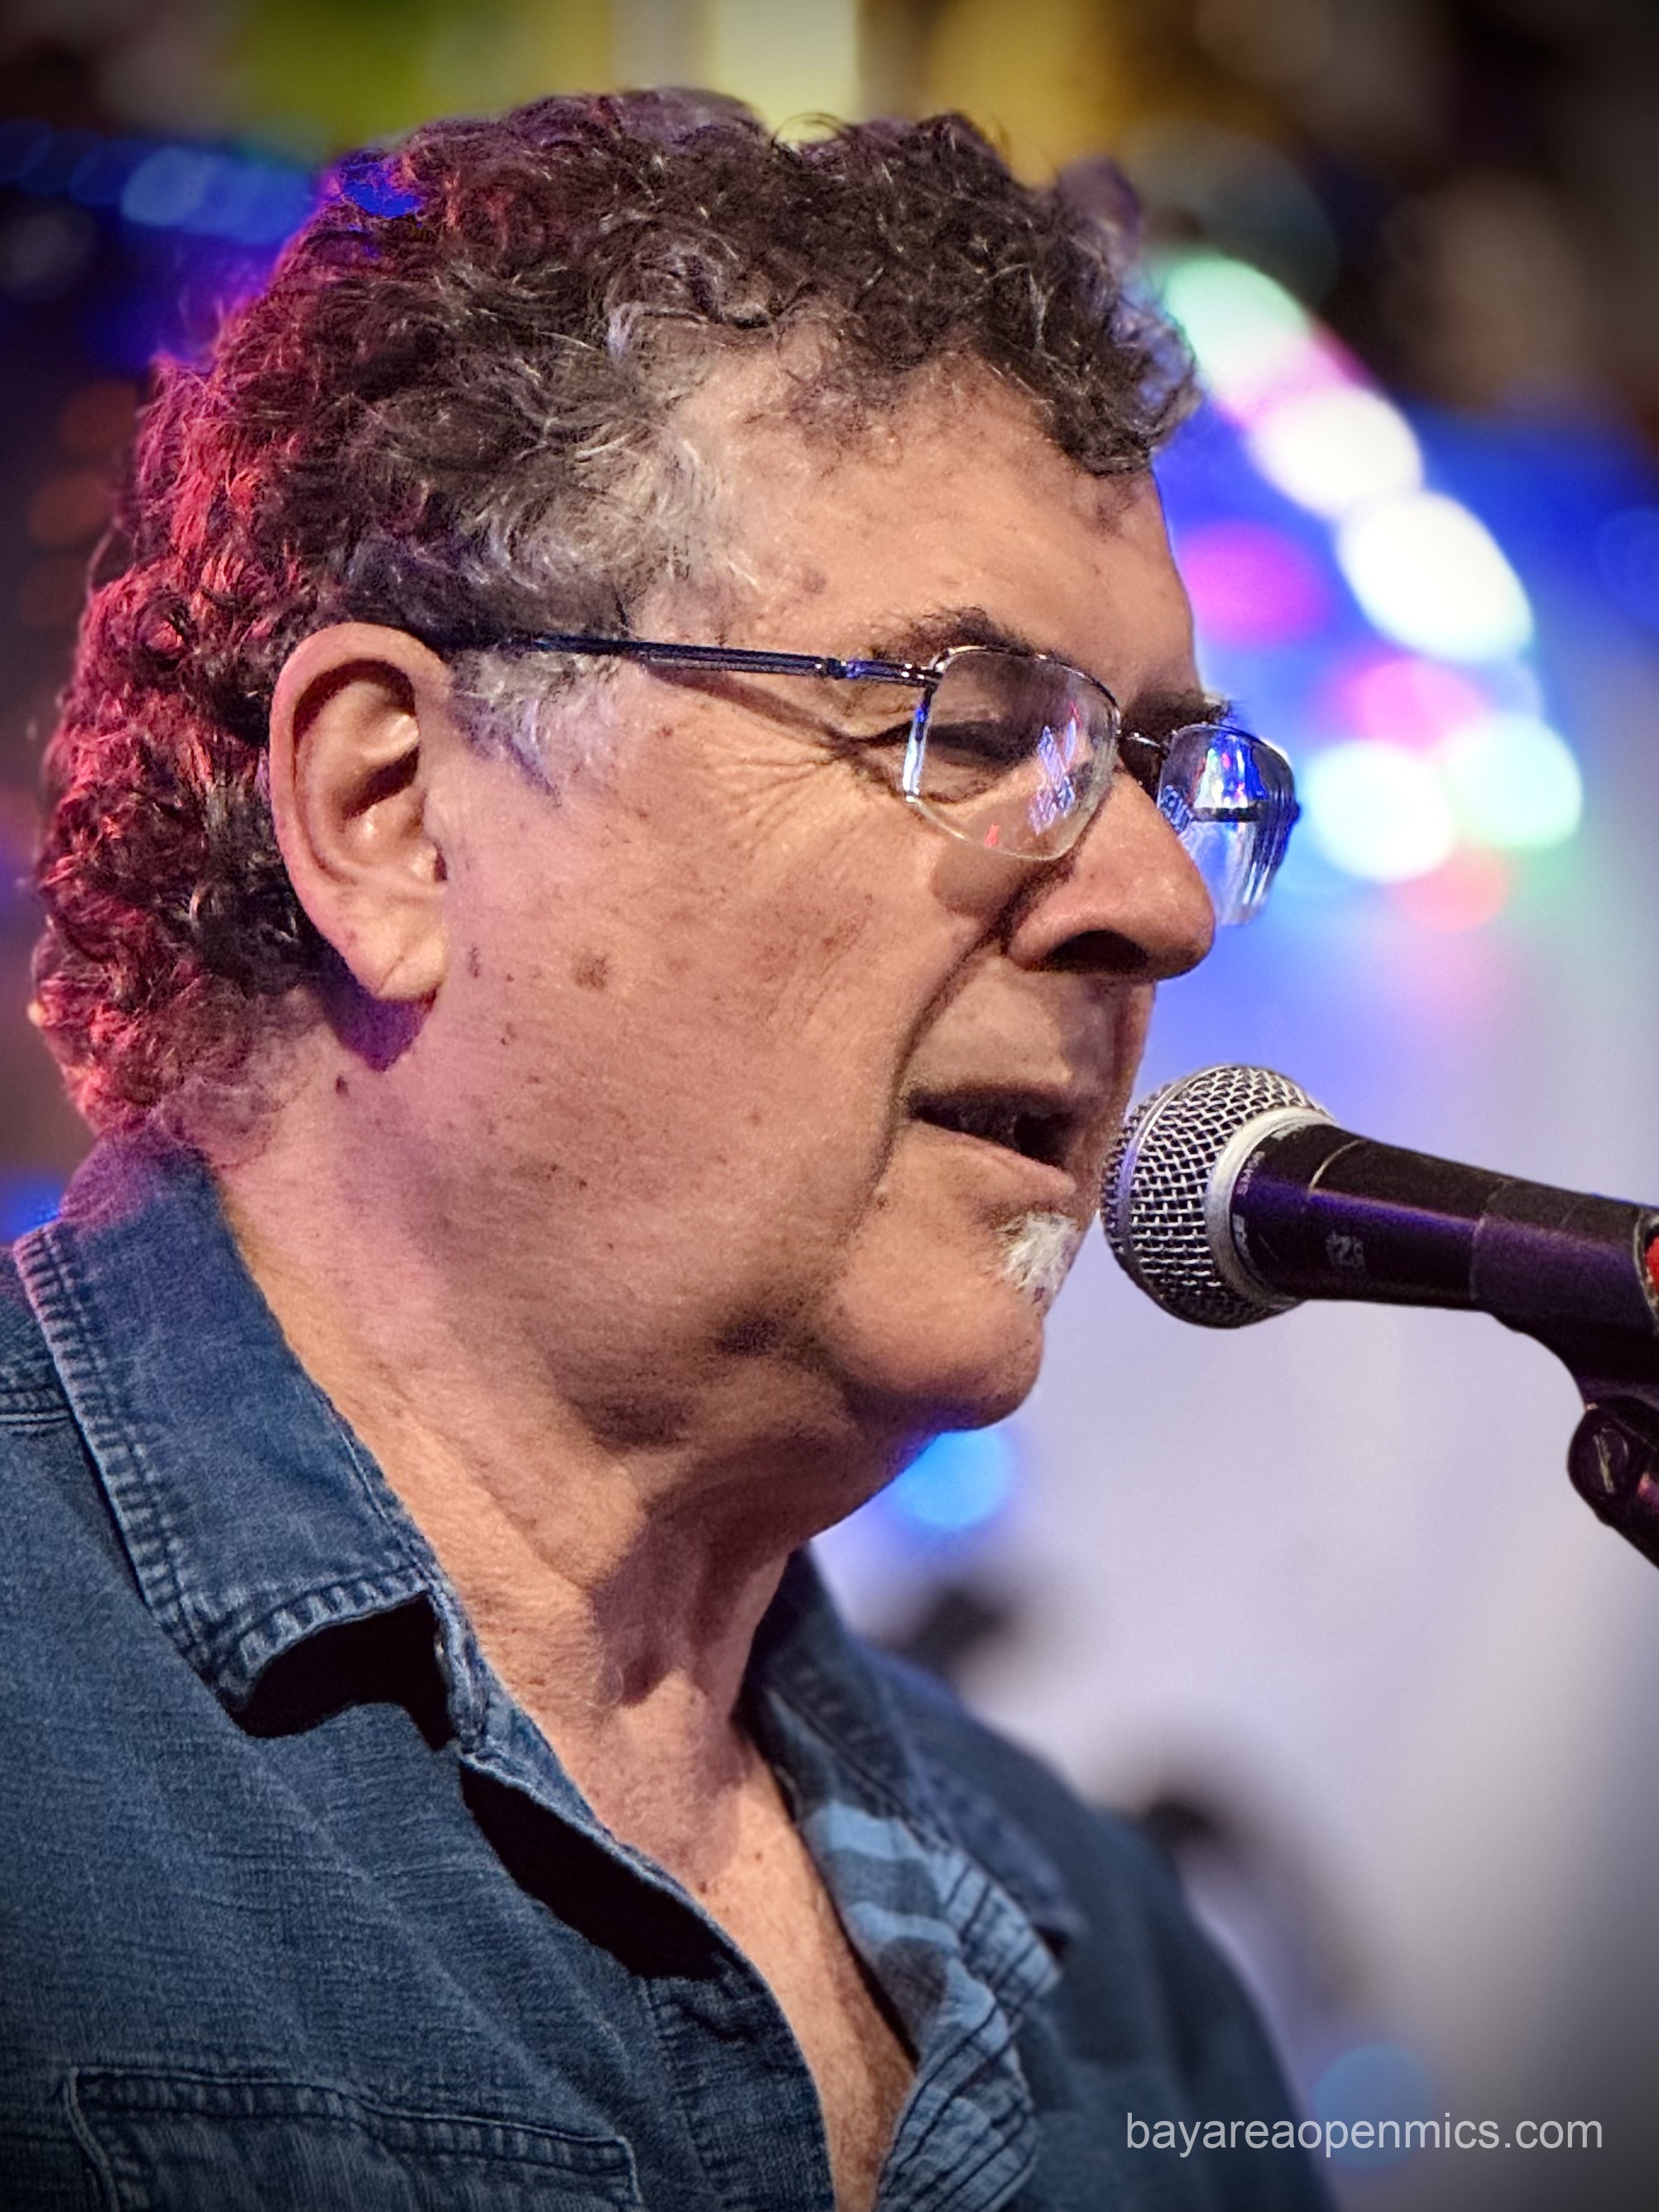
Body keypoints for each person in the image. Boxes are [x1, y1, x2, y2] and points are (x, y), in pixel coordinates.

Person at [1, 90, 1317, 2211]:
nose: (1156, 899)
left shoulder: (1124, 1975)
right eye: (976, 722)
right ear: (389, 813)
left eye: (1177, 772)